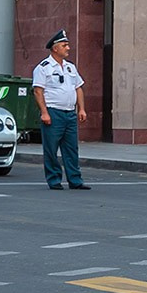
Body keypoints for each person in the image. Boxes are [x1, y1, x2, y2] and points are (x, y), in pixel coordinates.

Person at [32, 30, 88, 192]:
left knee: (71, 148)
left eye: (67, 45)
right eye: (64, 45)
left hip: (69, 113)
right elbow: (38, 91)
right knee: (51, 148)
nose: (68, 48)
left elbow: (78, 88)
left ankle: (75, 180)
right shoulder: (44, 68)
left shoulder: (70, 67)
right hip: (53, 112)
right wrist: (44, 112)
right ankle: (54, 179)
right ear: (55, 48)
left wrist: (81, 109)